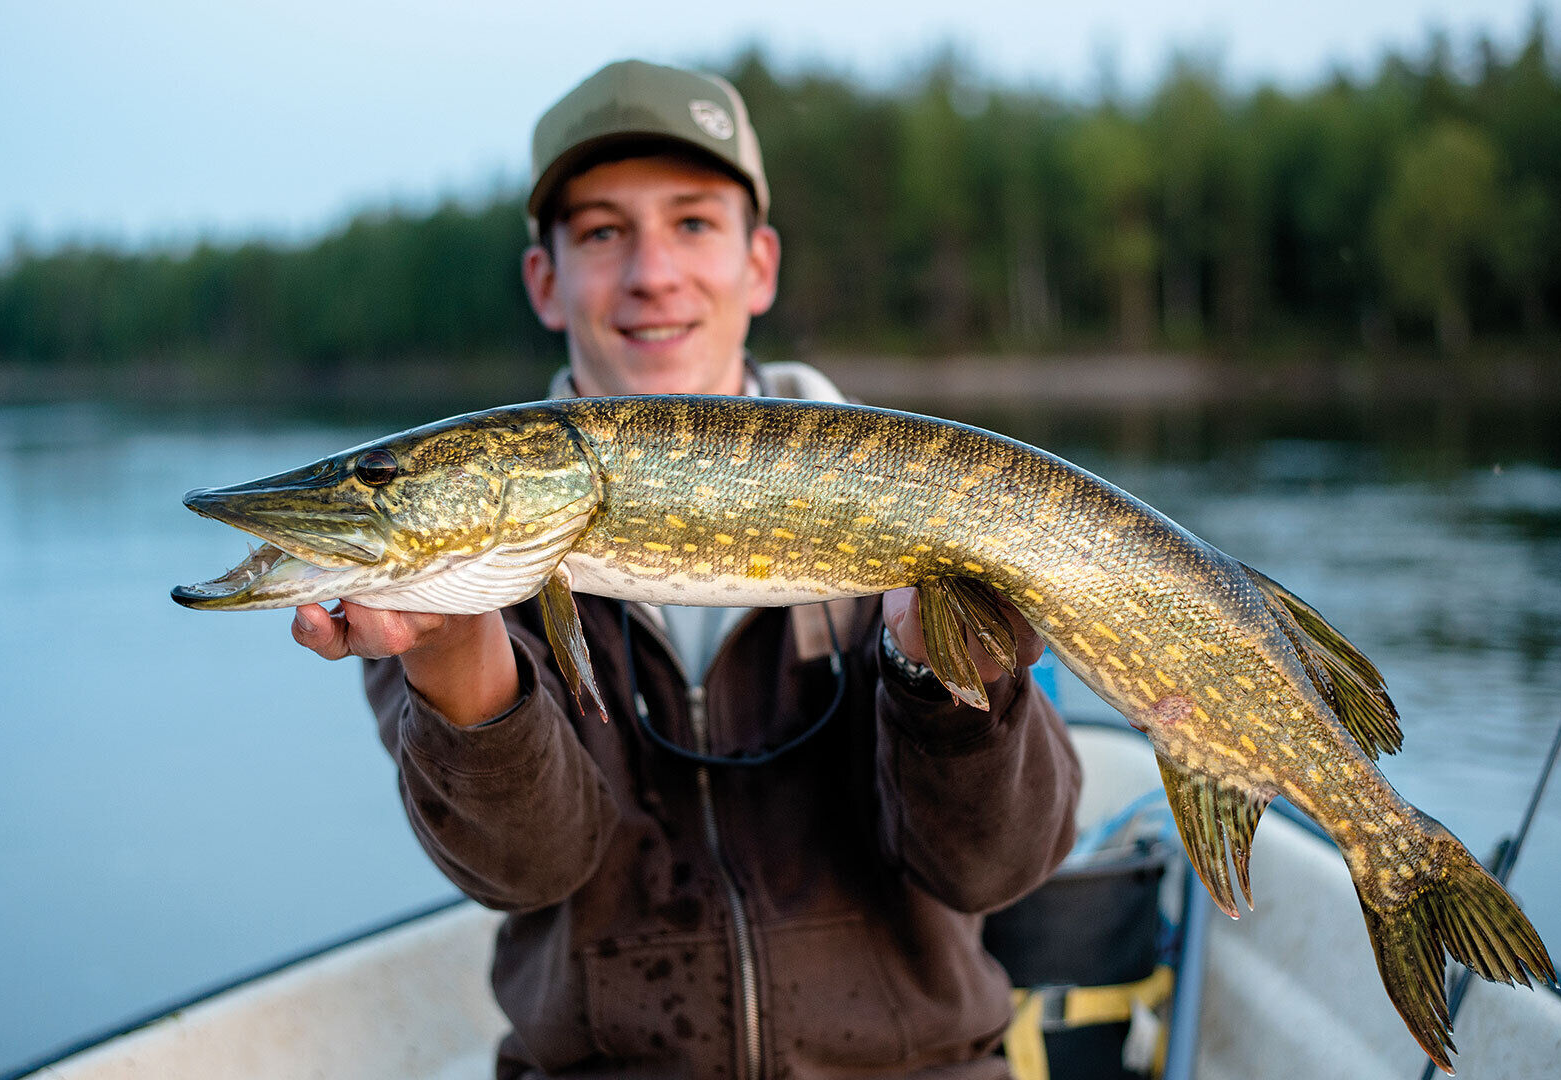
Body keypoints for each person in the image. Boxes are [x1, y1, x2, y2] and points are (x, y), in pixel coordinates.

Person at [291, 59, 1081, 1080]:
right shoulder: (449, 551)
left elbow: (995, 869)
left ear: (759, 265)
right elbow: (528, 872)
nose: (652, 272)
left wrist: (947, 678)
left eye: (694, 224)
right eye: (604, 232)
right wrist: (460, 663)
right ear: (547, 279)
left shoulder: (906, 486)